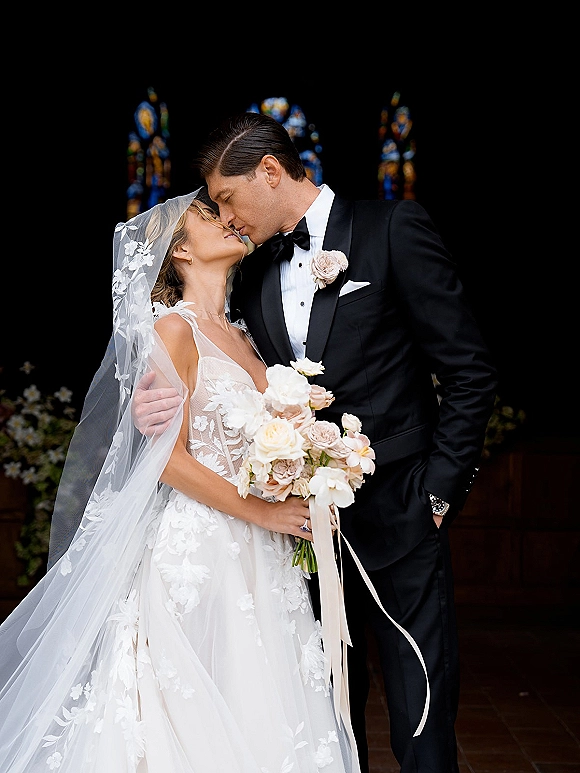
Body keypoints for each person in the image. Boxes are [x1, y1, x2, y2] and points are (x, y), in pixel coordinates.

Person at [132, 111, 499, 773]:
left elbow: (470, 368)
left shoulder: (392, 230)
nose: (227, 215)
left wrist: (439, 492)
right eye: (214, 210)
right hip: (291, 542)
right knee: (317, 712)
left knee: (420, 712)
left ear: (269, 170)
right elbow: (207, 362)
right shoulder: (250, 270)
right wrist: (153, 393)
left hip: (402, 516)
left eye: (227, 198)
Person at [0, 188, 360, 772]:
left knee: (263, 699)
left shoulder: (247, 335)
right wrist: (265, 512)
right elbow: (165, 460)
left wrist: (310, 472)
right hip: (202, 548)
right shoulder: (173, 331)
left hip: (260, 554)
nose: (229, 222)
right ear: (181, 252)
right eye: (209, 216)